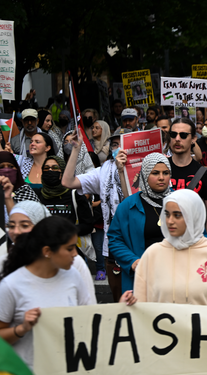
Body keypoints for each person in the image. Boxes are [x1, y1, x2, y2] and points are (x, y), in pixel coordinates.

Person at [0, 216, 136, 370]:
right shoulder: (10, 286)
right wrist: (21, 329)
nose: (75, 254)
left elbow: (90, 318)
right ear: (47, 251)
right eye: (70, 248)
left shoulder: (73, 275)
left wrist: (118, 309)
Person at [134, 189, 207, 305]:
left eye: (177, 215)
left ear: (193, 216)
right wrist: (127, 305)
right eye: (167, 214)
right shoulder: (152, 255)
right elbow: (139, 310)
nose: (170, 221)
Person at [61, 129, 130, 301]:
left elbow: (131, 205)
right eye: (114, 144)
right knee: (118, 300)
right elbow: (68, 182)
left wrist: (122, 172)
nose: (118, 148)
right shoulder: (103, 171)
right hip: (113, 247)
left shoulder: (146, 169)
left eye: (122, 144)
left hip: (137, 244)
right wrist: (77, 149)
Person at [108, 153, 172, 293]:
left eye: (166, 173)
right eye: (155, 173)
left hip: (175, 276)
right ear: (144, 174)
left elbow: (196, 234)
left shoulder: (181, 202)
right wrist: (132, 261)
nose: (161, 177)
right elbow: (115, 240)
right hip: (142, 278)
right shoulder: (128, 206)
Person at [34, 156, 94, 243]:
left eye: (55, 168)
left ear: (62, 172)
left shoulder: (75, 195)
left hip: (69, 248)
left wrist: (65, 231)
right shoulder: (37, 195)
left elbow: (88, 225)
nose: (50, 171)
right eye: (46, 168)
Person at [168, 118, 207, 213]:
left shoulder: (205, 174)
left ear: (193, 139)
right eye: (173, 135)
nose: (177, 139)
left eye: (183, 135)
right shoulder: (160, 169)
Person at [0, 152, 40, 217]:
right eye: (1, 167)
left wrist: (8, 197)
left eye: (10, 166)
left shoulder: (24, 191)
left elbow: (31, 219)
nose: (6, 170)